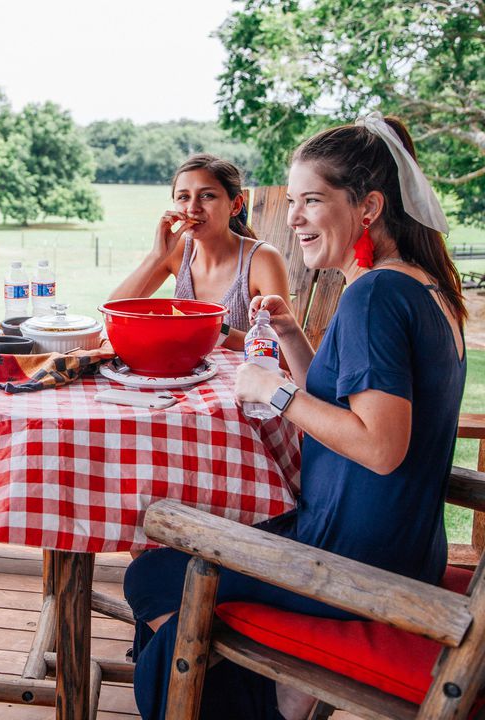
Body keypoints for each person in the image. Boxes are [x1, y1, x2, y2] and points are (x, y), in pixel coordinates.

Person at [123, 114, 466, 720]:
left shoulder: (375, 295)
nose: (295, 214)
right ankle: (268, 691)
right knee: (174, 601)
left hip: (351, 561)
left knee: (150, 578)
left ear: (369, 208)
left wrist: (273, 393)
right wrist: (289, 338)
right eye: (295, 199)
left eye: (312, 199)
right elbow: (351, 412)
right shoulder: (426, 288)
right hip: (404, 549)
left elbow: (381, 446)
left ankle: (271, 699)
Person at [109, 154, 290, 351]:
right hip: (182, 371)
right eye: (184, 197)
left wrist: (214, 329)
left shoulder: (262, 259)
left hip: (239, 378)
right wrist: (156, 256)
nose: (193, 208)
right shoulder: (178, 251)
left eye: (207, 196)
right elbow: (112, 312)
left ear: (235, 205)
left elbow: (285, 353)